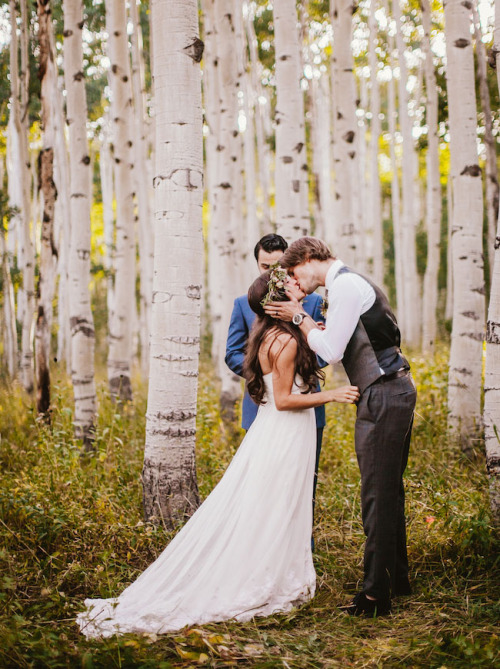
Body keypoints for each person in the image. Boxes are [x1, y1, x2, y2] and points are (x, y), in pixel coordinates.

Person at [76, 269, 359, 638]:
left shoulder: (271, 336)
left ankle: (272, 570)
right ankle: (268, 579)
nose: (298, 291)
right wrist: (333, 395)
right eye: (290, 290)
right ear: (277, 303)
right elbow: (287, 399)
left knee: (274, 504)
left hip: (276, 430)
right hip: (286, 432)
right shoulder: (284, 342)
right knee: (280, 503)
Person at [264, 237, 416, 618]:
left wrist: (298, 316)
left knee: (377, 495)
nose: (297, 281)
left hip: (383, 393)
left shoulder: (346, 286)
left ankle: (374, 597)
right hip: (388, 391)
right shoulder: (347, 286)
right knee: (388, 490)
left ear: (311, 259)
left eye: (296, 272)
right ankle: (396, 579)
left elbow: (329, 352)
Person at [225, 233, 326, 510]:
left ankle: (303, 549)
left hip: (307, 403)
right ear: (257, 265)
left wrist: (297, 370)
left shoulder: (314, 302)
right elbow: (232, 353)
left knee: (304, 485)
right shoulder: (244, 303)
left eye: (277, 266)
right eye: (264, 267)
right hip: (262, 405)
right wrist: (267, 374)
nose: (272, 273)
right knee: (261, 487)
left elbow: (325, 350)